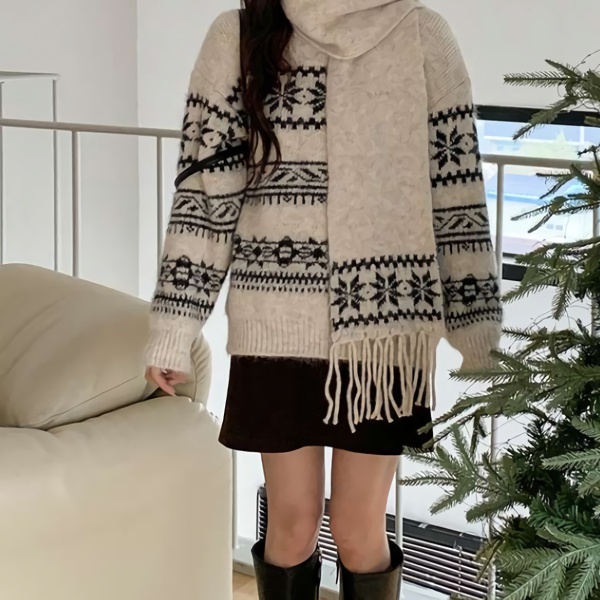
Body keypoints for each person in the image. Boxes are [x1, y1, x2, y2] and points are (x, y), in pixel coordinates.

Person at [145, 0, 502, 598]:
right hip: (274, 325)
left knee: (359, 530)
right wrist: (175, 326)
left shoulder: (420, 35)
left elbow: (455, 187)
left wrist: (477, 328)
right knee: (292, 526)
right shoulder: (239, 35)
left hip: (384, 334)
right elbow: (206, 195)